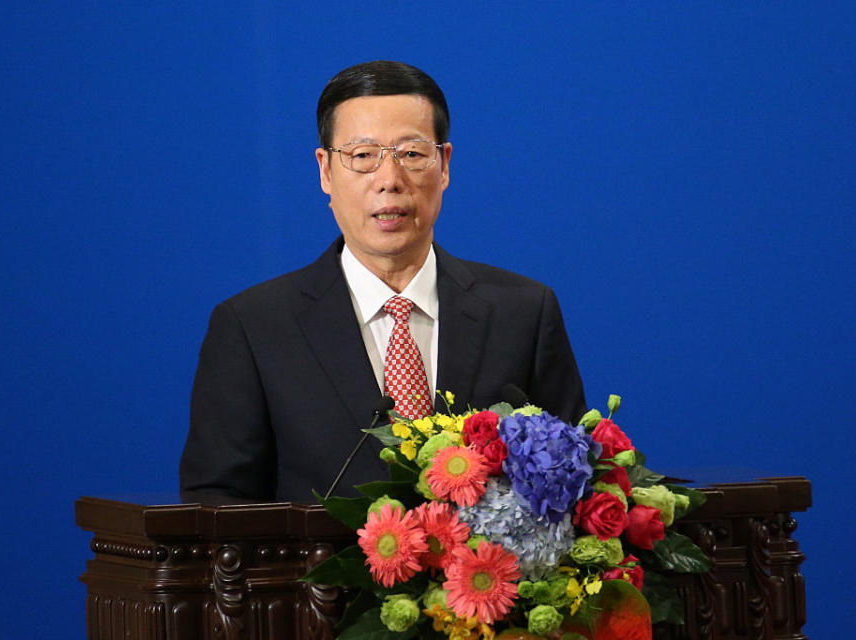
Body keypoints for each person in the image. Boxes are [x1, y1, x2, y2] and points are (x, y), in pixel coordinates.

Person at [179, 61, 586, 503]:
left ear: (444, 165)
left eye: (411, 154)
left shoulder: (523, 312)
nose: (389, 181)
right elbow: (216, 503)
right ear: (325, 172)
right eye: (362, 156)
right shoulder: (254, 327)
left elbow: (571, 477)